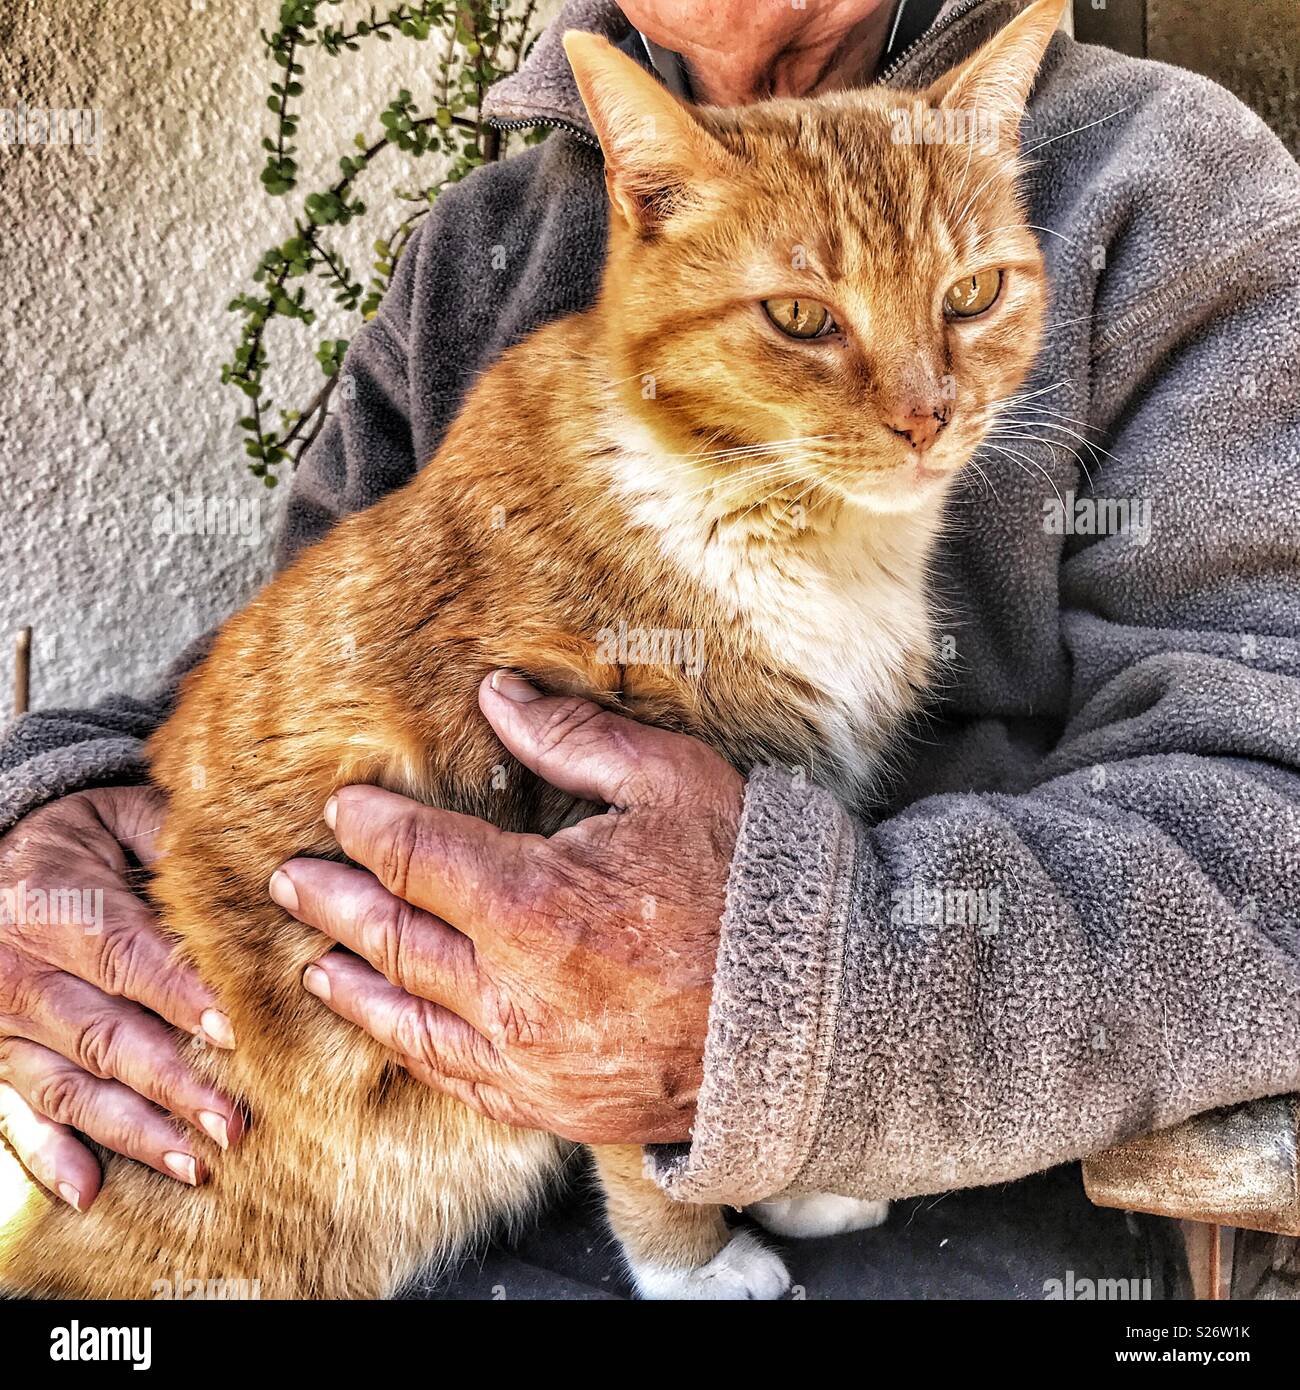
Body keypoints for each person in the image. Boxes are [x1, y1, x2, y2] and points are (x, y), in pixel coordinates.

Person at [2, 0, 1297, 1299]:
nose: (918, 413)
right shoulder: (484, 242)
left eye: (967, 301)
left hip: (972, 1212)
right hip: (358, 1189)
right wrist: (53, 800)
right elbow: (318, 642)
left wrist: (806, 999)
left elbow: (1270, 836)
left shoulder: (1169, 185)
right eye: (806, 320)